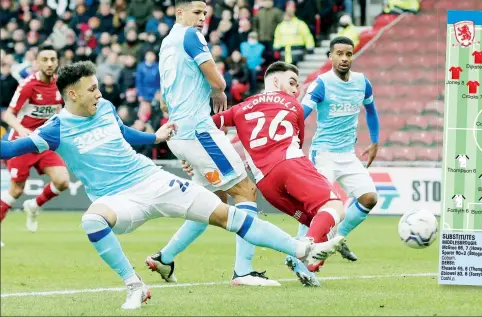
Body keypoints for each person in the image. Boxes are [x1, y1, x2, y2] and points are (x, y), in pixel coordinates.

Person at [0, 61, 344, 310]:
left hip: (153, 180)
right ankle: (134, 285)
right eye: (91, 89)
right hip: (119, 201)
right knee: (91, 220)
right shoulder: (55, 130)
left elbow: (123, 133)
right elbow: (11, 149)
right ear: (72, 94)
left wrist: (155, 136)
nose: (99, 93)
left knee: (228, 214)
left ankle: (303, 250)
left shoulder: (103, 107)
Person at [148, 0, 279, 287]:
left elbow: (164, 104)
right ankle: (243, 272)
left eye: (205, 14)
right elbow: (218, 80)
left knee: (212, 201)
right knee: (245, 191)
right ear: (179, 13)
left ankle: (164, 258)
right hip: (198, 131)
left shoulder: (166, 44)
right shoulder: (190, 36)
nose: (202, 19)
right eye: (196, 12)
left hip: (178, 131)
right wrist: (218, 89)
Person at [182, 61, 346, 286]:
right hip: (290, 165)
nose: (295, 90)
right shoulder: (293, 105)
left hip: (266, 184)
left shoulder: (241, 108)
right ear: (276, 81)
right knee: (334, 207)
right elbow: (297, 142)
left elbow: (202, 129)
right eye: (292, 83)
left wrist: (191, 159)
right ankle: (302, 254)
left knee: (313, 218)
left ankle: (307, 259)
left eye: (297, 85)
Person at [297, 36, 381, 262]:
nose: (344, 59)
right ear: (330, 56)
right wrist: (292, 137)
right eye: (339, 54)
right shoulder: (321, 83)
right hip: (323, 154)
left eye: (349, 54)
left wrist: (374, 141)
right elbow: (301, 113)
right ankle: (299, 257)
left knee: (369, 198)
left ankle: (338, 237)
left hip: (347, 154)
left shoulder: (362, 82)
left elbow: (371, 110)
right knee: (317, 208)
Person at [1, 45, 70, 235]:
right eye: (45, 59)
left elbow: (56, 111)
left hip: (43, 142)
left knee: (63, 180)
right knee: (16, 190)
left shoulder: (59, 85)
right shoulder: (28, 85)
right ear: (38, 62)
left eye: (53, 59)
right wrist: (22, 130)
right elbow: (8, 115)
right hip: (22, 144)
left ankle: (34, 206)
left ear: (57, 62)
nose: (49, 63)